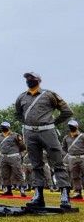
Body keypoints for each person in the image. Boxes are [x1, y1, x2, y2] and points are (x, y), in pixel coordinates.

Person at [15, 72, 74, 210]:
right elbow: (17, 114)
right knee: (36, 164)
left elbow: (66, 111)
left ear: (39, 80)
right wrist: (27, 124)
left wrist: (54, 122)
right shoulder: (21, 97)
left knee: (57, 163)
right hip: (30, 133)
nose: (30, 80)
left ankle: (64, 193)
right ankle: (38, 195)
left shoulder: (49, 95)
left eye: (32, 78)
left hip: (48, 131)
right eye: (27, 78)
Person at [0, 122, 25, 196]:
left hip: (14, 156)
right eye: (1, 126)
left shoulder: (15, 135)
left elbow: (23, 146)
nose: (2, 128)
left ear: (8, 127)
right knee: (5, 174)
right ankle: (8, 190)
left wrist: (17, 153)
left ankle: (22, 189)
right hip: (3, 157)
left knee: (18, 173)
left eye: (4, 126)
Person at [62, 121, 83, 199]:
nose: (71, 127)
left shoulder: (82, 136)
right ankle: (78, 192)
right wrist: (69, 154)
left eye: (72, 126)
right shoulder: (66, 137)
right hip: (72, 158)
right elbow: (63, 148)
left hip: (82, 157)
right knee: (75, 176)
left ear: (77, 126)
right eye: (70, 126)